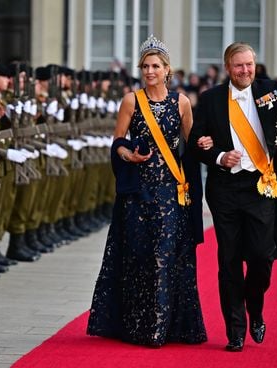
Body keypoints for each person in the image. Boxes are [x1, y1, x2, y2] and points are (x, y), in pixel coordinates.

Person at [189, 38, 277, 352]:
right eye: (239, 65)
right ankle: (235, 330)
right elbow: (197, 139)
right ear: (228, 68)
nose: (245, 70)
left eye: (249, 64)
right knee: (230, 260)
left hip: (261, 187)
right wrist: (220, 156)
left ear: (254, 65)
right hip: (224, 190)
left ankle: (256, 308)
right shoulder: (210, 100)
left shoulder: (269, 91)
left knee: (262, 257)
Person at [87, 35, 207, 347]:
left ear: (168, 70)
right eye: (145, 66)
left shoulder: (181, 102)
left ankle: (160, 327)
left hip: (170, 191)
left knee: (164, 257)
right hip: (138, 191)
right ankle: (137, 325)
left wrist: (210, 146)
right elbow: (117, 143)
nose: (150, 71)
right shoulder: (131, 101)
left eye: (155, 66)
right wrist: (129, 155)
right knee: (138, 256)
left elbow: (191, 144)